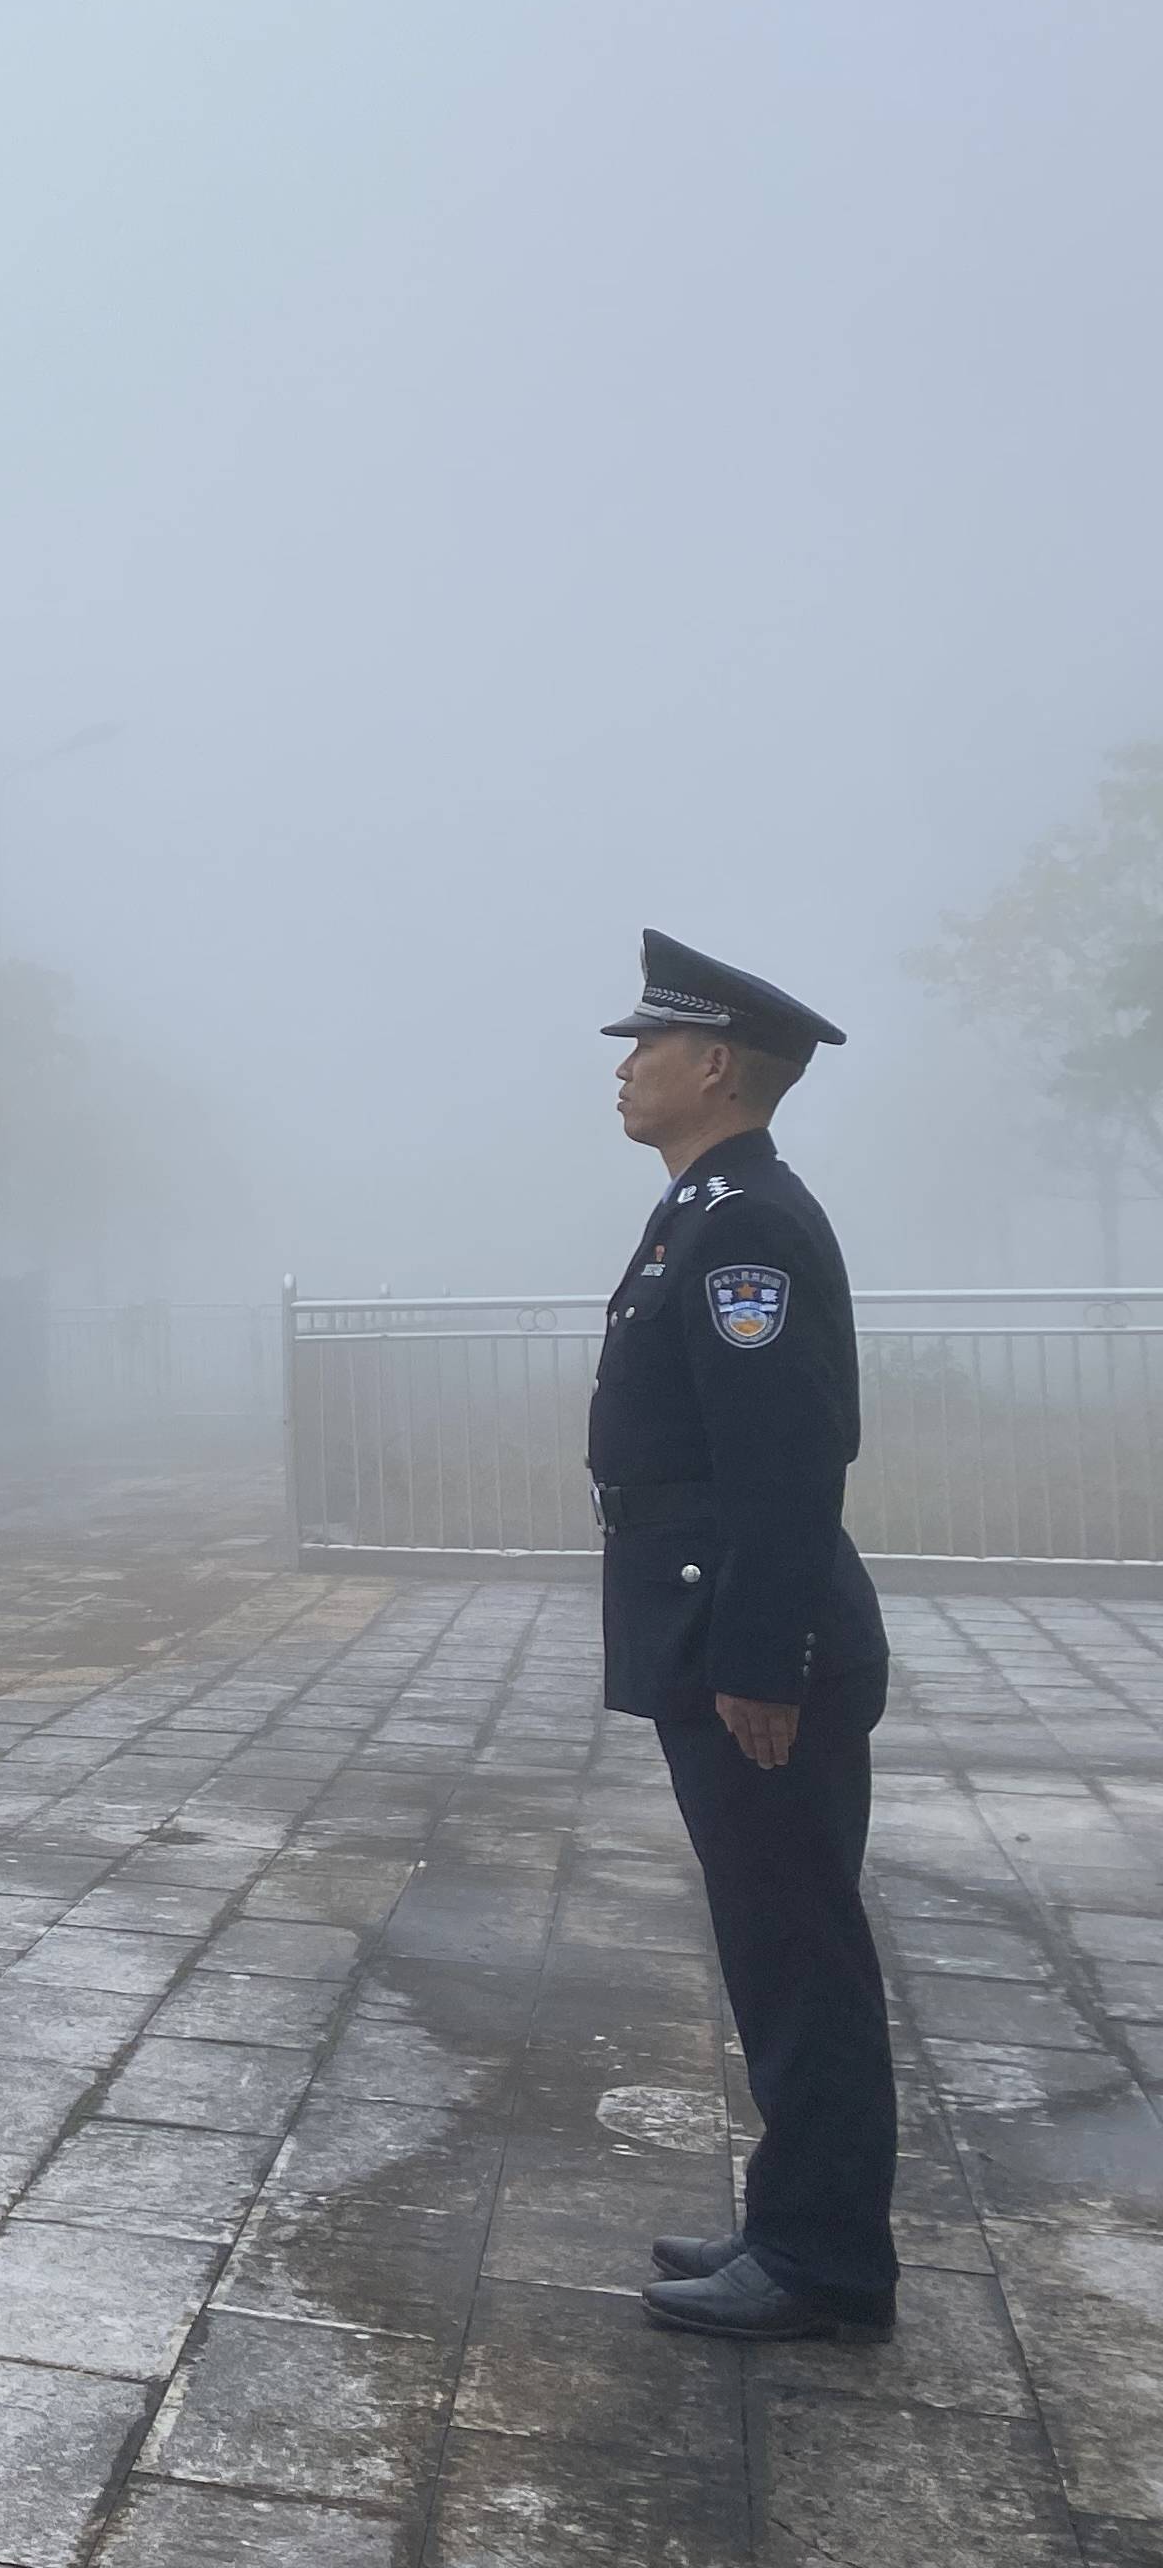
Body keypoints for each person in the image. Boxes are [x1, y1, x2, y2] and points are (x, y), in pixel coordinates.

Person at [592, 930, 898, 2344]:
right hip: (714, 1619)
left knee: (798, 1946)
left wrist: (760, 1660)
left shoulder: (745, 1223)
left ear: (714, 1064)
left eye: (645, 1044)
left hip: (751, 1637)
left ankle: (824, 2261)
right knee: (774, 1938)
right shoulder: (704, 1210)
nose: (625, 1064)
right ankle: (798, 2220)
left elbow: (785, 1465)